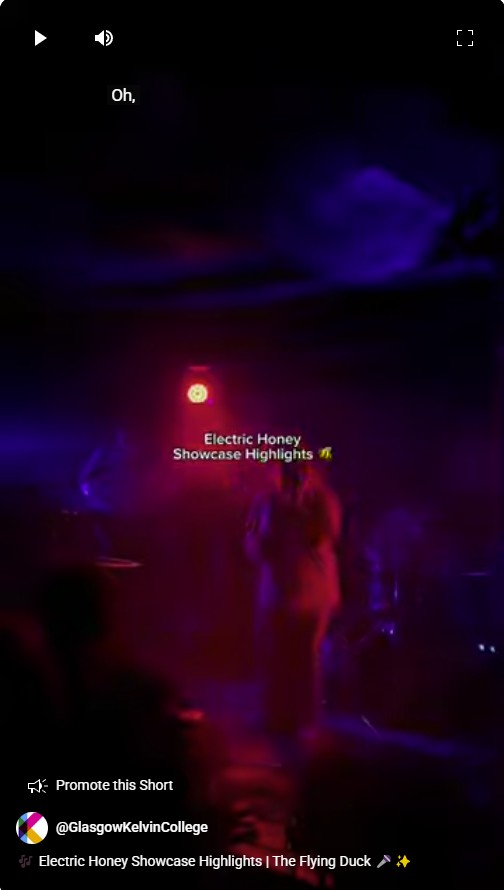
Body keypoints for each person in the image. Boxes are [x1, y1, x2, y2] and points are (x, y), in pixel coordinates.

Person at [245, 460, 342, 736]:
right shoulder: (265, 502)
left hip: (311, 593)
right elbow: (252, 541)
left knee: (304, 657)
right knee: (273, 655)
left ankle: (304, 720)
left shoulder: (322, 500)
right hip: (277, 592)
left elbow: (323, 535)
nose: (290, 477)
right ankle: (276, 716)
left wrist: (294, 509)